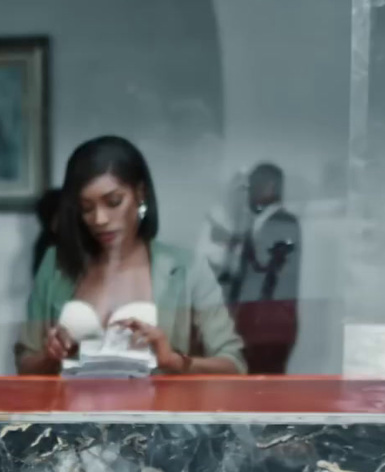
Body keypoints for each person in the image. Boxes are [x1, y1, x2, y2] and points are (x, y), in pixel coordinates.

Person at [16, 136, 245, 376]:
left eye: (113, 202)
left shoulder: (186, 268)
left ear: (140, 194)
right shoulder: (56, 265)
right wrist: (49, 356)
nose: (99, 219)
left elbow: (233, 365)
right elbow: (25, 365)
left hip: (157, 412)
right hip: (73, 412)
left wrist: (174, 361)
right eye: (86, 208)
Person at [216, 162, 302, 375]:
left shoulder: (283, 222)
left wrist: (238, 228)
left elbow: (264, 264)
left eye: (253, 185)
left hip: (270, 326)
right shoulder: (259, 222)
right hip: (253, 324)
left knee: (265, 386)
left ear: (270, 186)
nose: (249, 193)